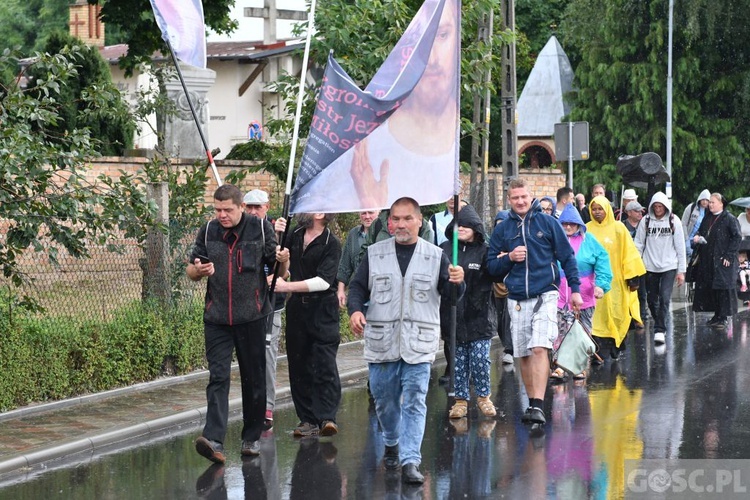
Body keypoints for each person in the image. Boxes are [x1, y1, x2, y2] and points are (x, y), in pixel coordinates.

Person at [347, 197, 465, 484]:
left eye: (407, 218)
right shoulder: (374, 254)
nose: (401, 224)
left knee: (414, 400)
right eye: (396, 219)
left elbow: (450, 299)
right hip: (382, 342)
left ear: (419, 221)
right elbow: (357, 286)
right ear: (389, 222)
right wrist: (354, 311)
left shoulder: (436, 255)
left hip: (419, 343)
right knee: (384, 401)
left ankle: (411, 459)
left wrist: (458, 282)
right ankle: (391, 441)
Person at [188, 184, 289, 463]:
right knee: (218, 377)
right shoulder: (208, 231)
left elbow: (278, 270)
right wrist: (198, 270)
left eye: (227, 210)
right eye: (217, 210)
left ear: (241, 207)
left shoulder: (259, 229)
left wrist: (284, 259)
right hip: (217, 318)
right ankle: (214, 440)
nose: (222, 215)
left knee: (253, 379)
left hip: (253, 315)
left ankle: (251, 437)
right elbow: (191, 270)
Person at [487, 178, 582, 426]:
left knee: (540, 347)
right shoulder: (502, 230)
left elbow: (567, 257)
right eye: (514, 197)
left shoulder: (548, 223)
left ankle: (538, 405)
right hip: (517, 297)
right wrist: (509, 257)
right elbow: (491, 268)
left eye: (523, 196)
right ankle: (532, 402)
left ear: (532, 197)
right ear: (509, 200)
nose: (519, 201)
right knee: (524, 353)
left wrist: (575, 289)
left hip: (546, 293)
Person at [273, 213, 343, 437]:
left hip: (323, 309)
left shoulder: (331, 243)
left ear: (321, 213)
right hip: (297, 311)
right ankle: (307, 419)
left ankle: (327, 417)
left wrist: (287, 287)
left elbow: (323, 281)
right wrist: (277, 235)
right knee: (298, 363)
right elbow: (282, 262)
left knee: (325, 364)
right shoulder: (293, 234)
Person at [439, 204, 497, 419]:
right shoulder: (444, 249)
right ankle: (460, 401)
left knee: (480, 359)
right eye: (457, 224)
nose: (461, 228)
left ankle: (484, 397)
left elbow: (495, 274)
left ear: (476, 228)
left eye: (466, 224)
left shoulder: (485, 252)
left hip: (480, 316)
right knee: (458, 361)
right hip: (453, 317)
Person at [550, 203, 612, 381]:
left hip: (584, 298)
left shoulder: (589, 240)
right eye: (564, 223)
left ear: (579, 224)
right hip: (559, 297)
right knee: (560, 332)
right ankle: (560, 366)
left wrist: (601, 285)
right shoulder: (554, 241)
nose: (568, 227)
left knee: (582, 333)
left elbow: (603, 263)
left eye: (572, 223)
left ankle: (579, 367)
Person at [243, 188, 286, 431]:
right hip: (245, 307)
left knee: (268, 358)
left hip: (271, 306)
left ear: (266, 207)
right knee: (249, 360)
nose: (252, 211)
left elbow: (284, 271)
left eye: (257, 207)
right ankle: (252, 408)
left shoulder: (276, 231)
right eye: (248, 207)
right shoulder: (240, 232)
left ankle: (267, 408)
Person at [585, 195, 646, 360]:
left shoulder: (618, 228)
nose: (597, 212)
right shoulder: (586, 229)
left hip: (616, 281)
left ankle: (616, 345)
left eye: (600, 209)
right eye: (594, 209)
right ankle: (598, 349)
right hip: (593, 282)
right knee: (597, 317)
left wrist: (633, 278)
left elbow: (629, 252)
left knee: (617, 313)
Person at [634, 192, 686, 345]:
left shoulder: (673, 221)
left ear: (665, 207)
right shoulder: (646, 221)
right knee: (651, 300)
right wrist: (636, 265)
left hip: (669, 266)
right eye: (655, 207)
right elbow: (638, 244)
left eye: (660, 207)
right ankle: (660, 321)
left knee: (664, 298)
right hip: (649, 266)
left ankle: (659, 330)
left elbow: (680, 247)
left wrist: (681, 271)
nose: (658, 209)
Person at [691, 193, 742, 328]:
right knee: (712, 287)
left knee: (722, 289)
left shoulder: (729, 218)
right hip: (708, 259)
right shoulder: (707, 217)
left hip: (722, 260)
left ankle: (723, 316)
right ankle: (717, 315)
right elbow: (701, 231)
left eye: (713, 202)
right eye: (709, 202)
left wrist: (729, 256)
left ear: (721, 203)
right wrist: (697, 237)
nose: (710, 204)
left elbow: (737, 237)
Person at [337, 210, 380, 308]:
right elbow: (345, 264)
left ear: (379, 212)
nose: (367, 216)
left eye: (371, 213)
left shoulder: (385, 235)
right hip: (359, 295)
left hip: (381, 295)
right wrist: (341, 290)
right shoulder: (353, 234)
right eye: (363, 213)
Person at [493, 210, 513, 366]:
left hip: (511, 290)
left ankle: (509, 350)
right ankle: (506, 344)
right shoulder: (493, 244)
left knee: (508, 320)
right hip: (496, 290)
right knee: (499, 321)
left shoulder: (514, 244)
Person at [681, 189, 710, 258]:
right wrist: (686, 239)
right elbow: (683, 223)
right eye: (703, 199)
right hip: (687, 238)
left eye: (707, 200)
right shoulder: (691, 207)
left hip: (698, 241)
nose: (705, 202)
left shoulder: (709, 212)